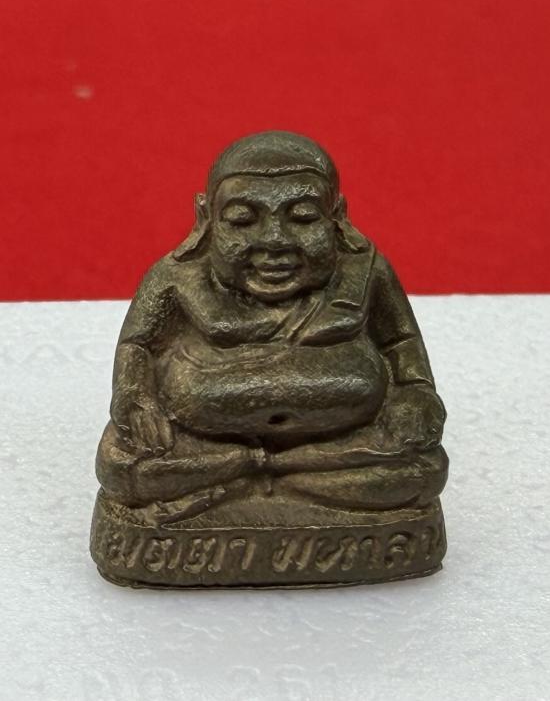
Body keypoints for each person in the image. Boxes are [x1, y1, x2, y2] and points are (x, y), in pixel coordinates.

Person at [96, 131, 447, 523]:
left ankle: (257, 480)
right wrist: (133, 395)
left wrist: (416, 392)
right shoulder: (177, 277)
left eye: (303, 218)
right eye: (243, 220)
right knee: (122, 470)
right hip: (210, 444)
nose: (274, 240)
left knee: (423, 470)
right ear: (206, 218)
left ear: (337, 217)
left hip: (340, 441)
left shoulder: (364, 271)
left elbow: (399, 340)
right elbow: (139, 344)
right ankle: (269, 476)